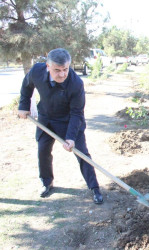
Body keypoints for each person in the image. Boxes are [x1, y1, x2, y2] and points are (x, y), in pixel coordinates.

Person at [18, 48, 104, 204]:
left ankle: (94, 188)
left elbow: (77, 113)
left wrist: (71, 137)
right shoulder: (37, 71)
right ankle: (46, 182)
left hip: (68, 121)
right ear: (47, 66)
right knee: (43, 151)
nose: (62, 74)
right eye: (57, 70)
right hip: (45, 119)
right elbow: (26, 86)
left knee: (81, 153)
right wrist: (23, 106)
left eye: (65, 69)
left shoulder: (76, 84)